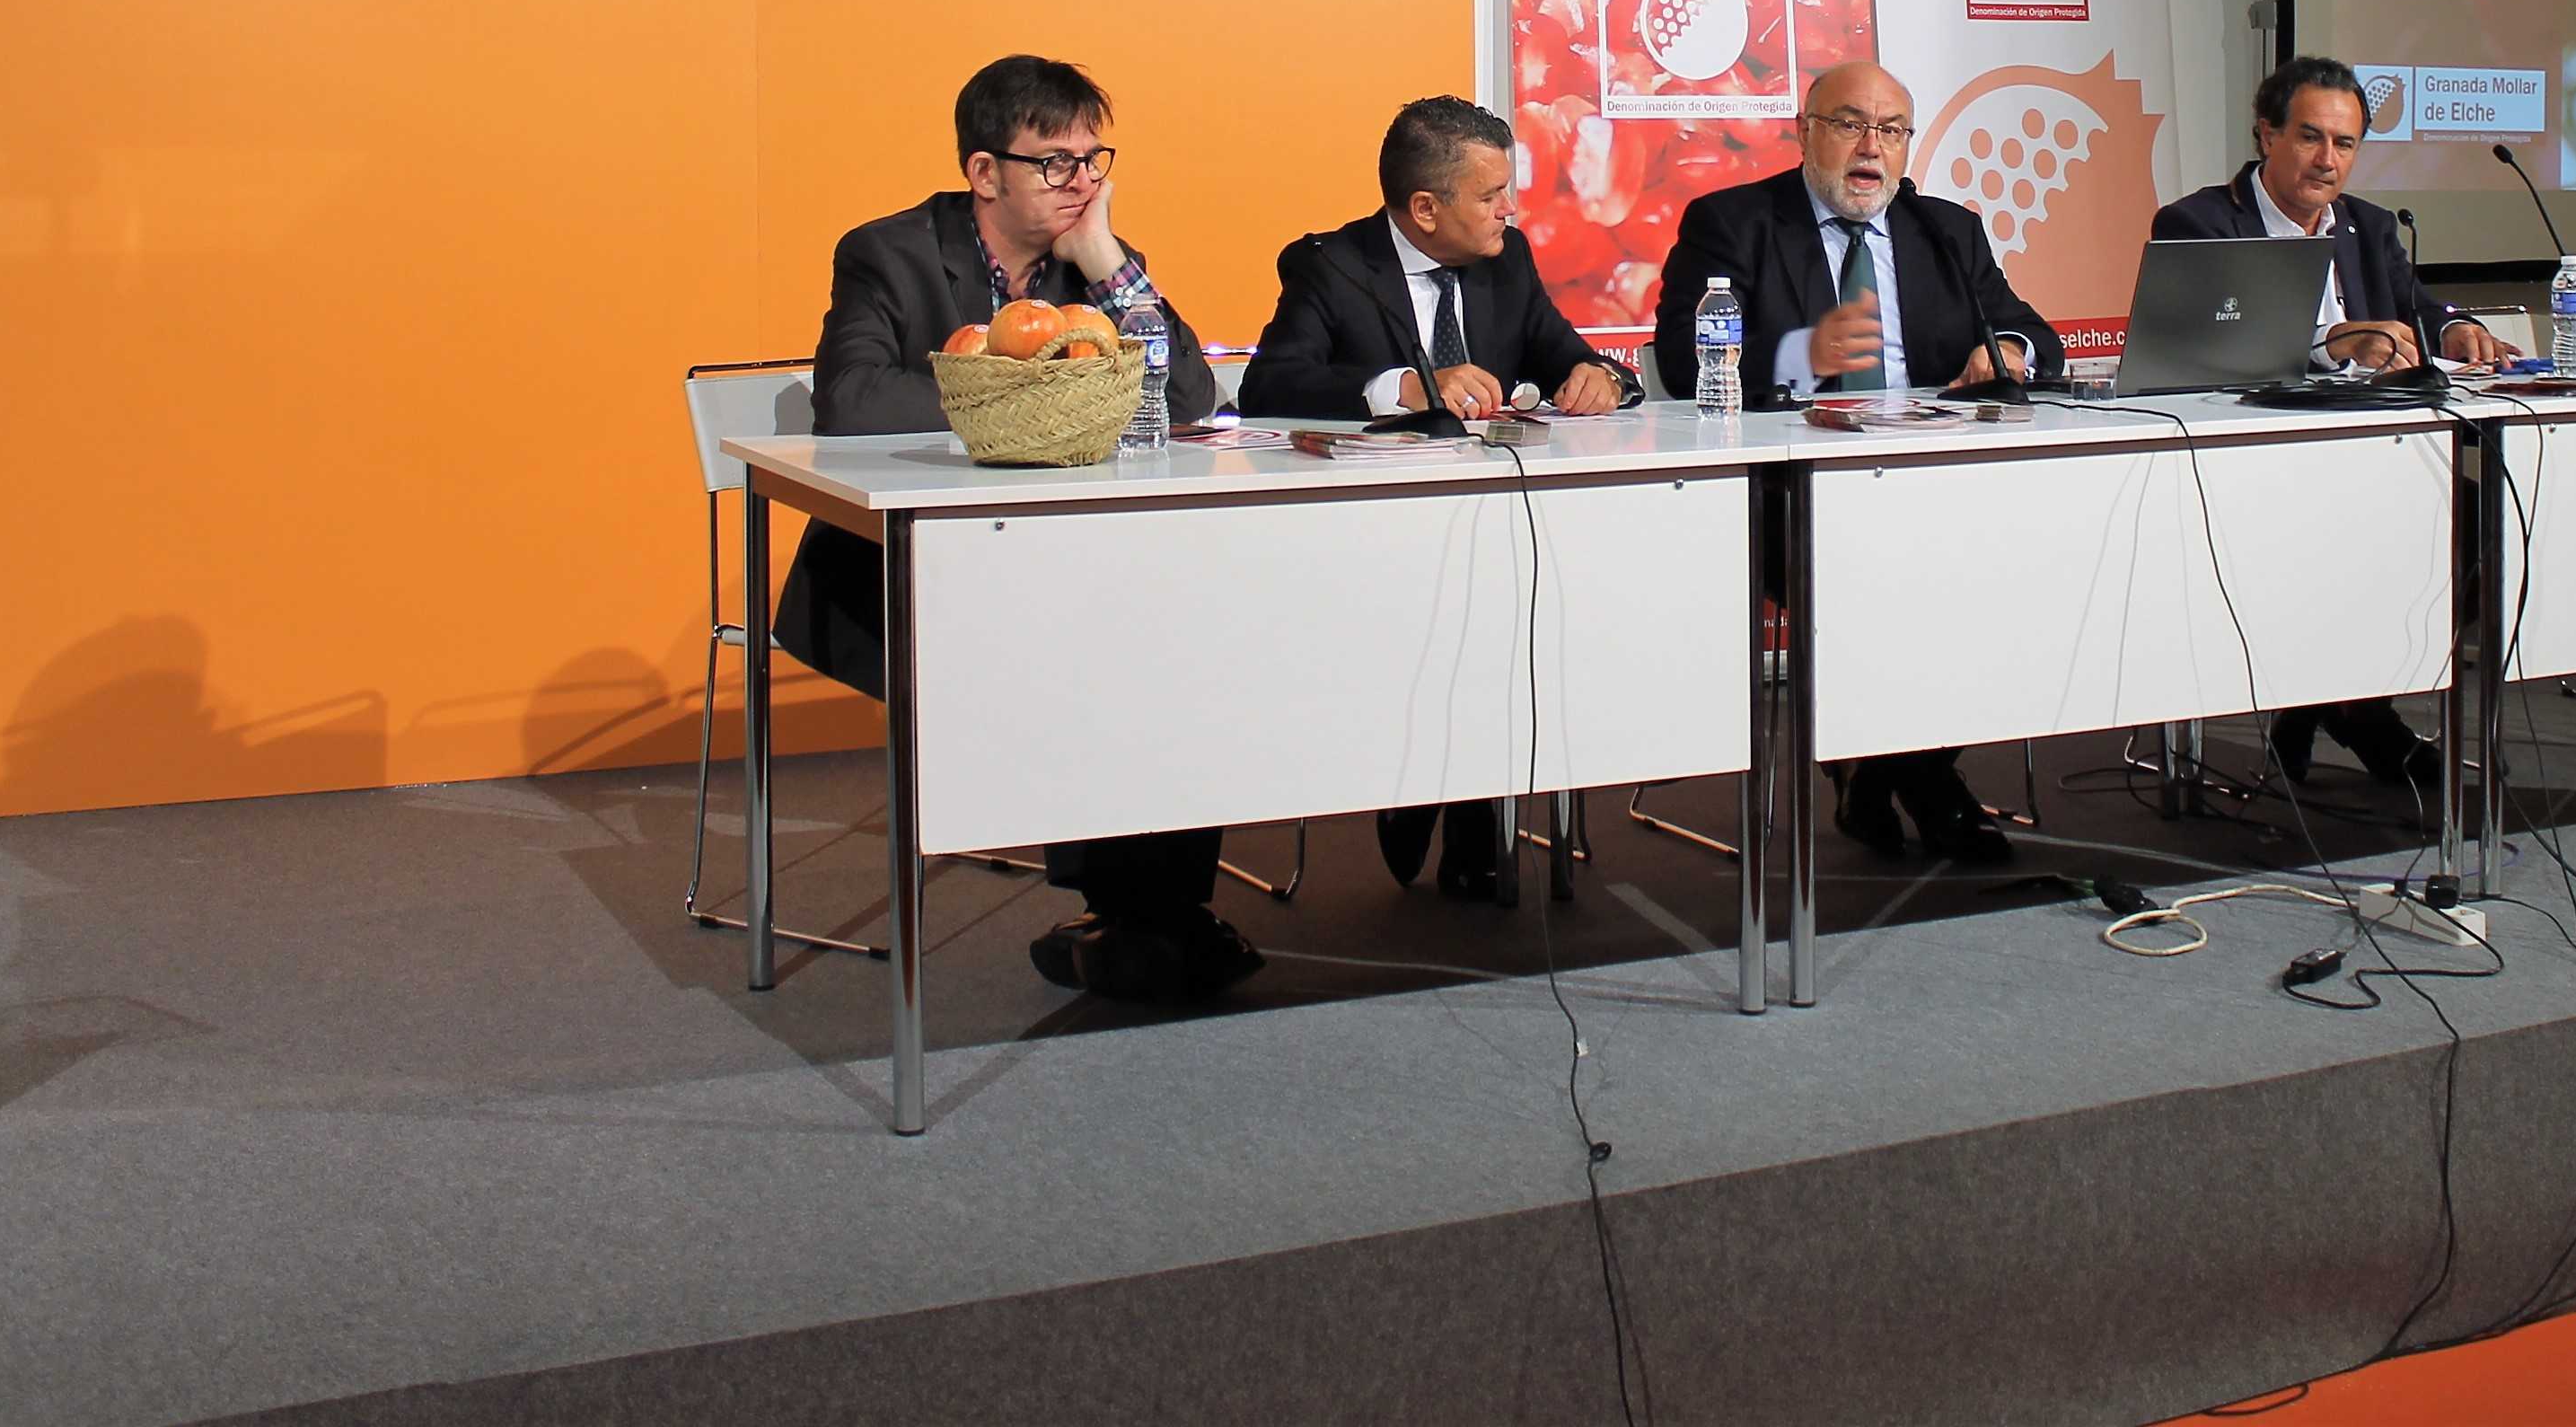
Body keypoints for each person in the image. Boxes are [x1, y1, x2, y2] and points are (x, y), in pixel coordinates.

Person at [774, 53, 1245, 1007]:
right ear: (985, 172)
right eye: (1056, 162)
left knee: (1181, 635)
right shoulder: (890, 253)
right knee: (1093, 651)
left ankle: (1140, 917)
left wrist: (1111, 265)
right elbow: (853, 403)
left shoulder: (1091, 260)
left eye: (1093, 159)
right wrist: (1037, 393)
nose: (1083, 182)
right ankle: (1144, 918)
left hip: (1070, 566)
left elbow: (1194, 397)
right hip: (907, 574)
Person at [1651, 61, 2059, 864]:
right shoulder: (1734, 221)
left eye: (1892, 130)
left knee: (2011, 568)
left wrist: (2002, 346)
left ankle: (1876, 768)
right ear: (1805, 131)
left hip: (1934, 482)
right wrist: (1806, 350)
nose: (1871, 147)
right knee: (1889, 580)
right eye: (1849, 124)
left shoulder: (1946, 228)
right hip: (1796, 493)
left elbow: (2031, 333)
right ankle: (1926, 782)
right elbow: (1679, 356)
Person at [1240, 95, 1637, 898]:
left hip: (1490, 530)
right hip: (1370, 537)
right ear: (1425, 208)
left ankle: (1470, 811)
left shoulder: (1507, 258)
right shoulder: (1331, 264)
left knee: (1520, 606)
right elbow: (1268, 387)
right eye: (1491, 196)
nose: (1509, 211)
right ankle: (1425, 788)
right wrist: (1406, 386)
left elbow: (1567, 355)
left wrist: (1603, 377)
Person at [2152, 53, 2512, 798]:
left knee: (2480, 526)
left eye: (2345, 145)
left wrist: (2457, 328)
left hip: (2369, 460)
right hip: (2251, 468)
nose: (2328, 161)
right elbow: (2202, 351)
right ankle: (2353, 710)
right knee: (2336, 543)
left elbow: (2417, 303)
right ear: (2266, 134)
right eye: (2311, 138)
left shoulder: (2370, 227)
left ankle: (2340, 702)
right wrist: (2330, 341)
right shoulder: (2200, 222)